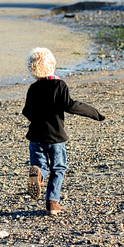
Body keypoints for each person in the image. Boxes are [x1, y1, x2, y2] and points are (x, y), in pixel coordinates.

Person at [21, 47, 105, 215]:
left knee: (40, 165)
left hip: (36, 136)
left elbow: (27, 112)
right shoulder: (59, 85)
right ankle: (53, 203)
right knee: (58, 168)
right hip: (56, 137)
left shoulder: (33, 88)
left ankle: (38, 175)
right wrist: (94, 113)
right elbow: (70, 105)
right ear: (52, 65)